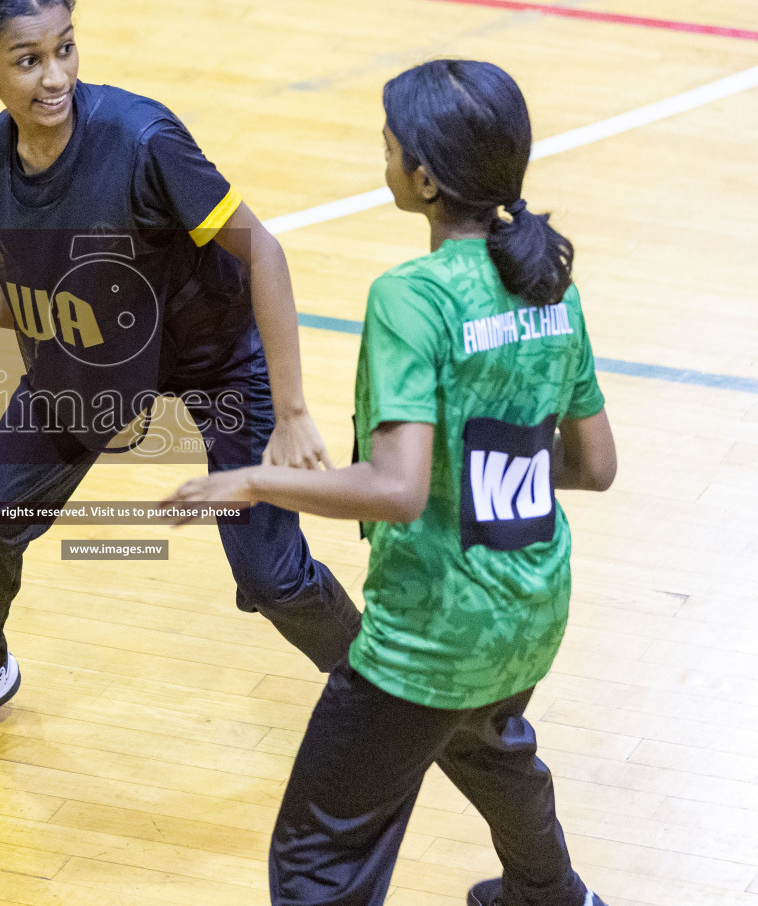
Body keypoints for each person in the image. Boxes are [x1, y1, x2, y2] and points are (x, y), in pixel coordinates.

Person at [0, 0, 362, 779]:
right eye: (27, 60)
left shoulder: (143, 140)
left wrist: (294, 408)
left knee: (272, 576)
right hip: (94, 349)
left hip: (218, 362)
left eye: (65, 48)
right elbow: (33, 299)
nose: (54, 75)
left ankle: (380, 693)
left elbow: (261, 249)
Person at [162, 59, 618, 906]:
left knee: (317, 863)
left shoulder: (411, 297)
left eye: (388, 145)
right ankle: (553, 897)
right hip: (530, 615)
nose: (384, 156)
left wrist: (256, 483)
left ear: (424, 176)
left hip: (429, 636)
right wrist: (481, 460)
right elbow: (595, 466)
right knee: (489, 741)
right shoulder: (552, 287)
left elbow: (397, 489)